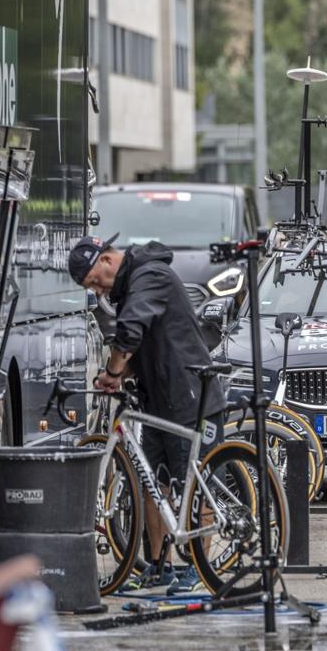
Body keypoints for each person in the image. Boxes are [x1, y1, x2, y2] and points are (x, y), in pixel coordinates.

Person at [68, 233, 227, 592]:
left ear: (107, 260)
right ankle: (158, 566)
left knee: (194, 483)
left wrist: (112, 371)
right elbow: (140, 345)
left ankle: (198, 571)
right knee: (155, 484)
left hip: (190, 396)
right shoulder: (129, 287)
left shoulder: (149, 276)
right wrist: (119, 376)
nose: (98, 292)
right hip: (157, 400)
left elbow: (131, 331)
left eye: (95, 281)